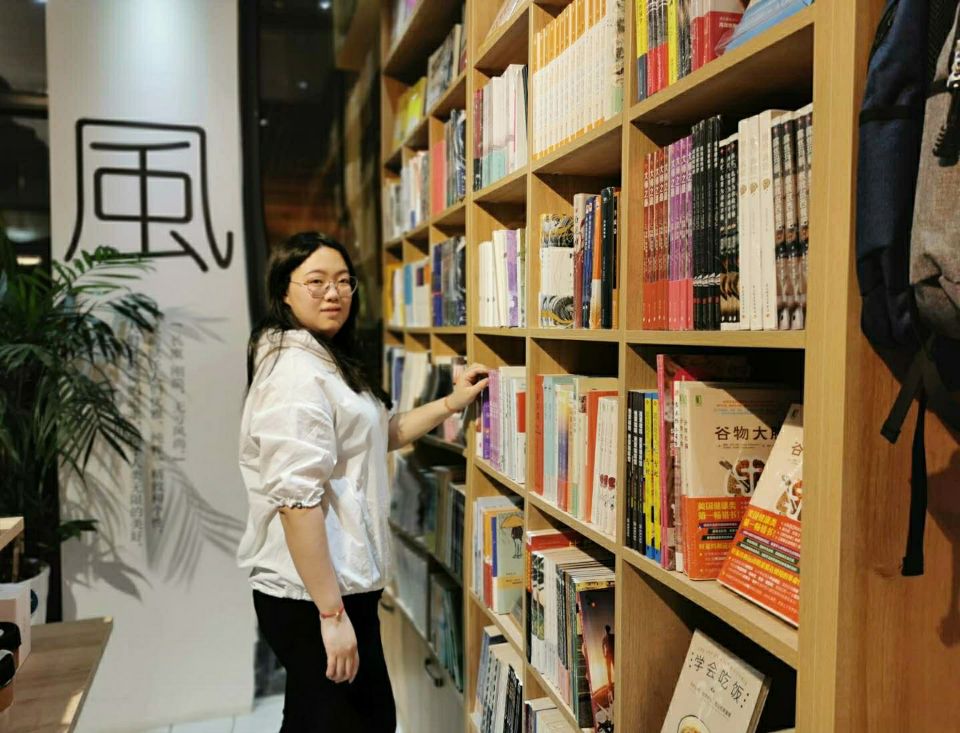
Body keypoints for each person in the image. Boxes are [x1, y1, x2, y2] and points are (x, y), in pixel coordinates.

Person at [237, 232, 488, 731]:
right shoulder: (294, 373)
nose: (333, 293)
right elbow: (296, 503)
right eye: (316, 281)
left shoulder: (323, 357)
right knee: (358, 721)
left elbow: (379, 435)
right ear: (284, 291)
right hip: (312, 595)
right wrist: (332, 617)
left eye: (343, 281)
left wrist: (450, 404)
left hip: (333, 588)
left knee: (319, 719)